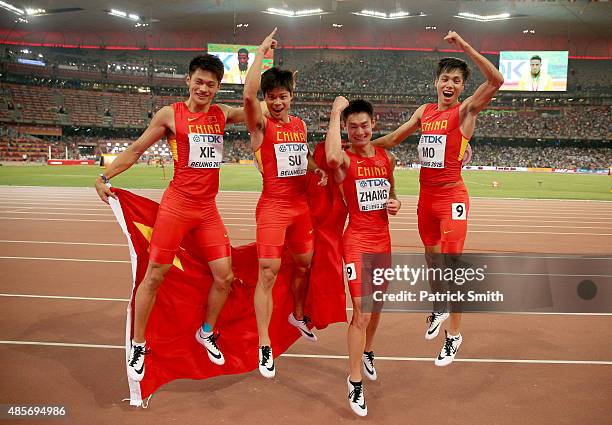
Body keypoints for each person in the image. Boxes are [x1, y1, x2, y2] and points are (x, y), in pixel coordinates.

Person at [95, 54, 257, 382]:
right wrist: (105, 176)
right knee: (155, 274)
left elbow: (255, 110)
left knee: (224, 277)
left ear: (216, 88)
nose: (204, 88)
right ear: (188, 81)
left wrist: (278, 93)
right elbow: (137, 150)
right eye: (198, 82)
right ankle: (139, 343)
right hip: (177, 206)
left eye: (211, 84)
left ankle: (206, 331)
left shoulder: (222, 113)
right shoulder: (171, 114)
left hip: (207, 209)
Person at [374, 31, 503, 367]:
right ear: (436, 82)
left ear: (462, 87)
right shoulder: (425, 111)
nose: (450, 84)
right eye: (445, 78)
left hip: (452, 199)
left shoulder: (466, 111)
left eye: (457, 80)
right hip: (425, 200)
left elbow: (497, 79)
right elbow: (392, 139)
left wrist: (464, 46)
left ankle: (454, 335)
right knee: (432, 262)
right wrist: (355, 146)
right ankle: (439, 307)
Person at [243, 28, 327, 379]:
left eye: (283, 97)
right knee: (268, 271)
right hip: (274, 207)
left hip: (299, 207)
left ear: (292, 97)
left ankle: (296, 313)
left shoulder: (300, 124)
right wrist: (261, 52)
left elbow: (303, 155)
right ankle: (265, 344)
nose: (278, 102)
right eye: (272, 97)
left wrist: (316, 168)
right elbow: (248, 95)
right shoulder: (260, 124)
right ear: (266, 98)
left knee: (305, 264)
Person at [325, 97, 401, 417]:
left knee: (376, 306)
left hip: (382, 242)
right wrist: (334, 112)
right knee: (361, 311)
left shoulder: (388, 158)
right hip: (355, 240)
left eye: (364, 126)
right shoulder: (343, 160)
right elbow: (329, 154)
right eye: (352, 126)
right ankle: (354, 380)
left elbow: (391, 193)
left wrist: (394, 202)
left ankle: (368, 351)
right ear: (345, 129)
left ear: (374, 125)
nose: (359, 131)